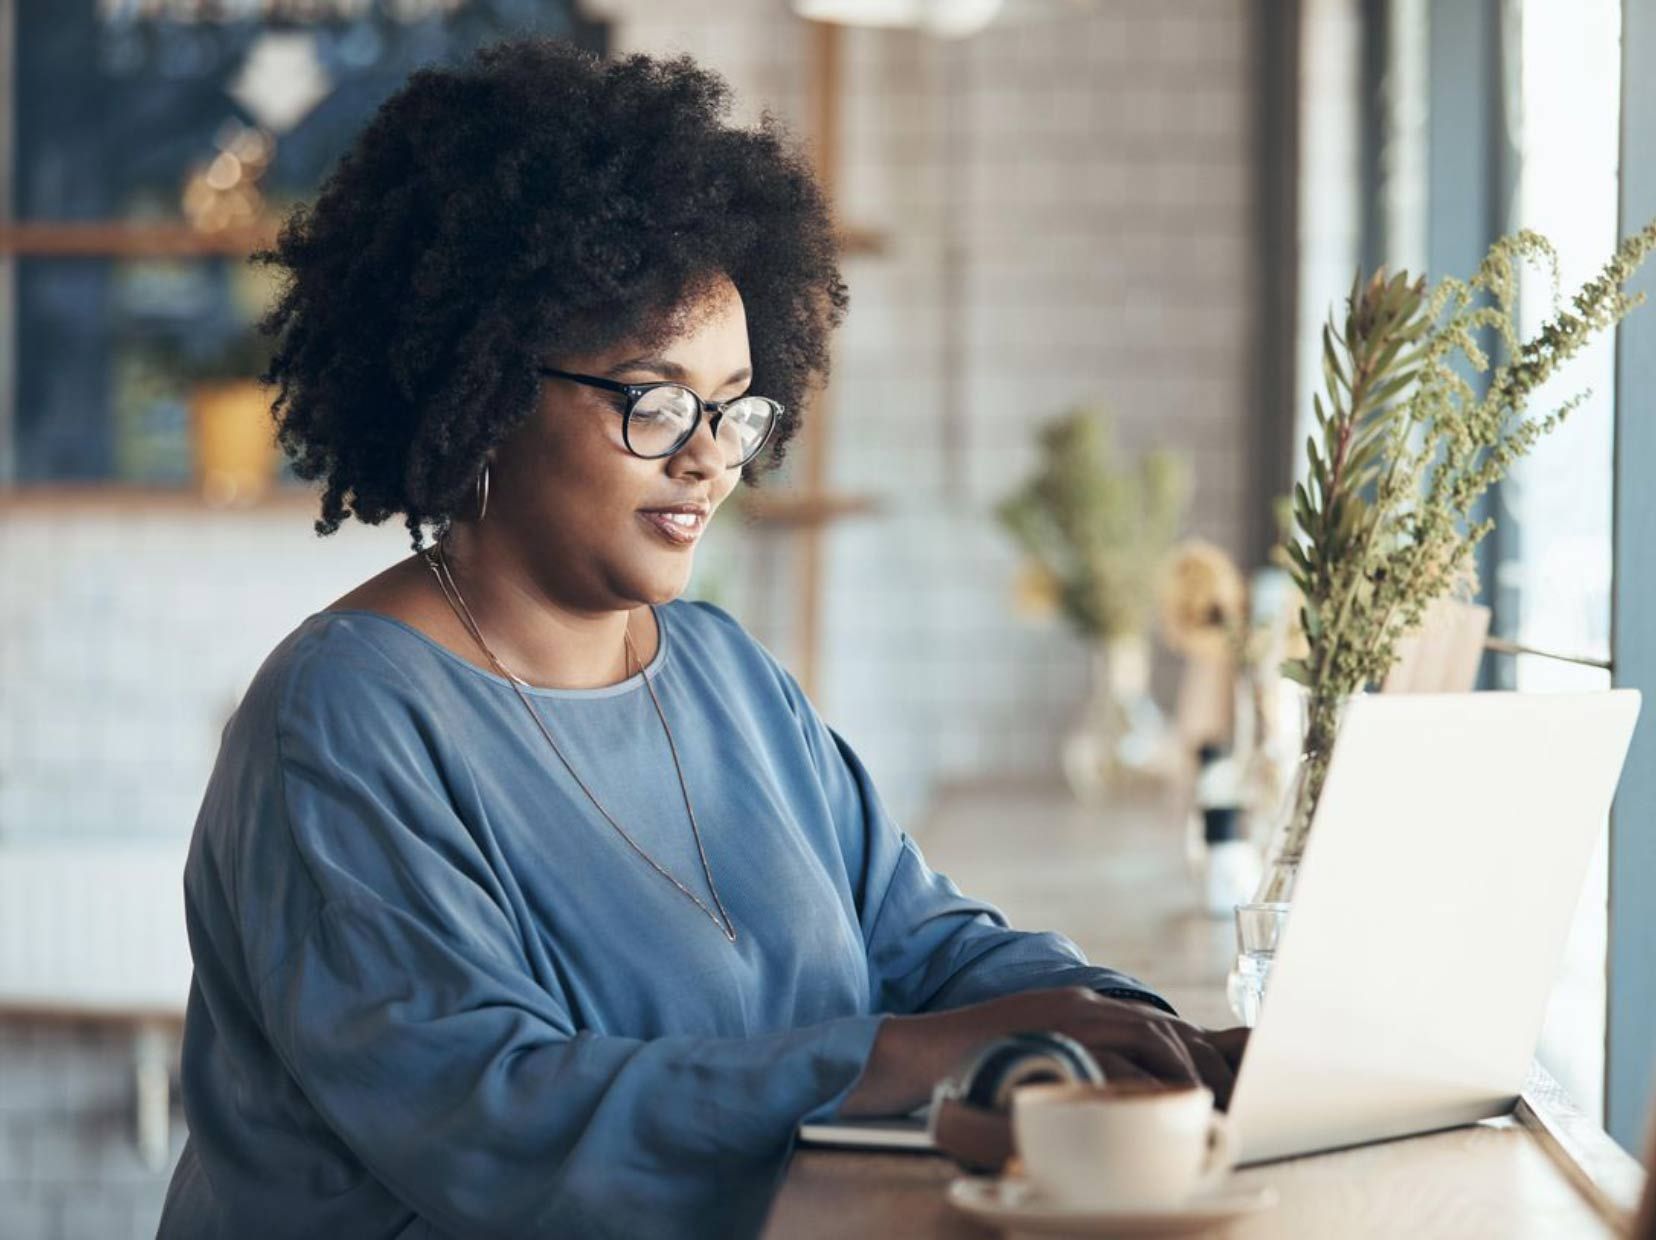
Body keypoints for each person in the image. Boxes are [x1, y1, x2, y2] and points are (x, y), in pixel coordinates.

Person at [158, 35, 1246, 1240]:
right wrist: (912, 1056)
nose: (710, 453)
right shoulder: (344, 716)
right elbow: (494, 1118)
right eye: (653, 397)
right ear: (486, 390)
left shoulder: (726, 675)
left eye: (736, 405)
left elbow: (924, 944)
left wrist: (1153, 1029)